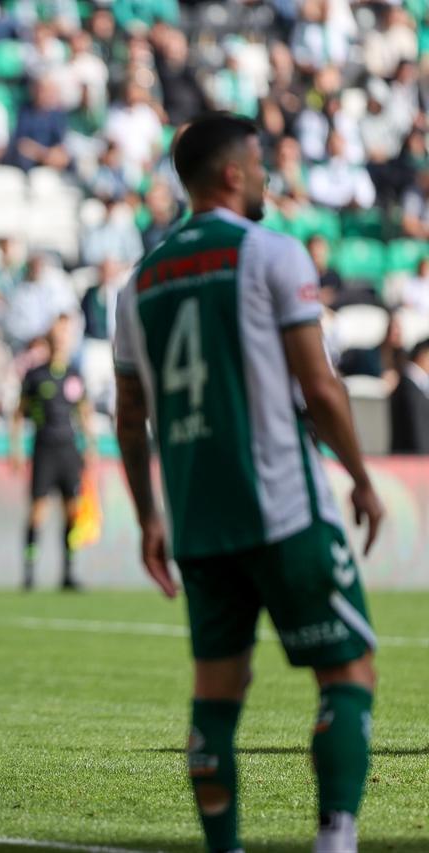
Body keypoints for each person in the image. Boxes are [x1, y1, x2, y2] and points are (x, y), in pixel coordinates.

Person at [113, 114, 382, 853]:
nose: (266, 176)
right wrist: (361, 477)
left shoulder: (136, 284)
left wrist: (147, 518)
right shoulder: (270, 252)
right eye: (259, 164)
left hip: (198, 519)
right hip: (285, 506)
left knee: (216, 694)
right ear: (232, 173)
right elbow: (320, 387)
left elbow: (129, 417)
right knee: (347, 668)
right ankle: (336, 839)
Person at [12, 314, 94, 590]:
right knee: (38, 512)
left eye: (66, 335)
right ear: (50, 340)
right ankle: (29, 571)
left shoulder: (74, 374)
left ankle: (69, 573)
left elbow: (84, 412)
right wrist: (16, 450)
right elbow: (19, 413)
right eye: (58, 335)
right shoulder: (36, 375)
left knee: (72, 512)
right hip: (44, 447)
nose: (62, 340)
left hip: (69, 449)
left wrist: (90, 445)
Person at [389, 338, 429, 454]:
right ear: (423, 355)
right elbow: (417, 431)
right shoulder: (409, 386)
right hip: (412, 462)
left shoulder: (414, 385)